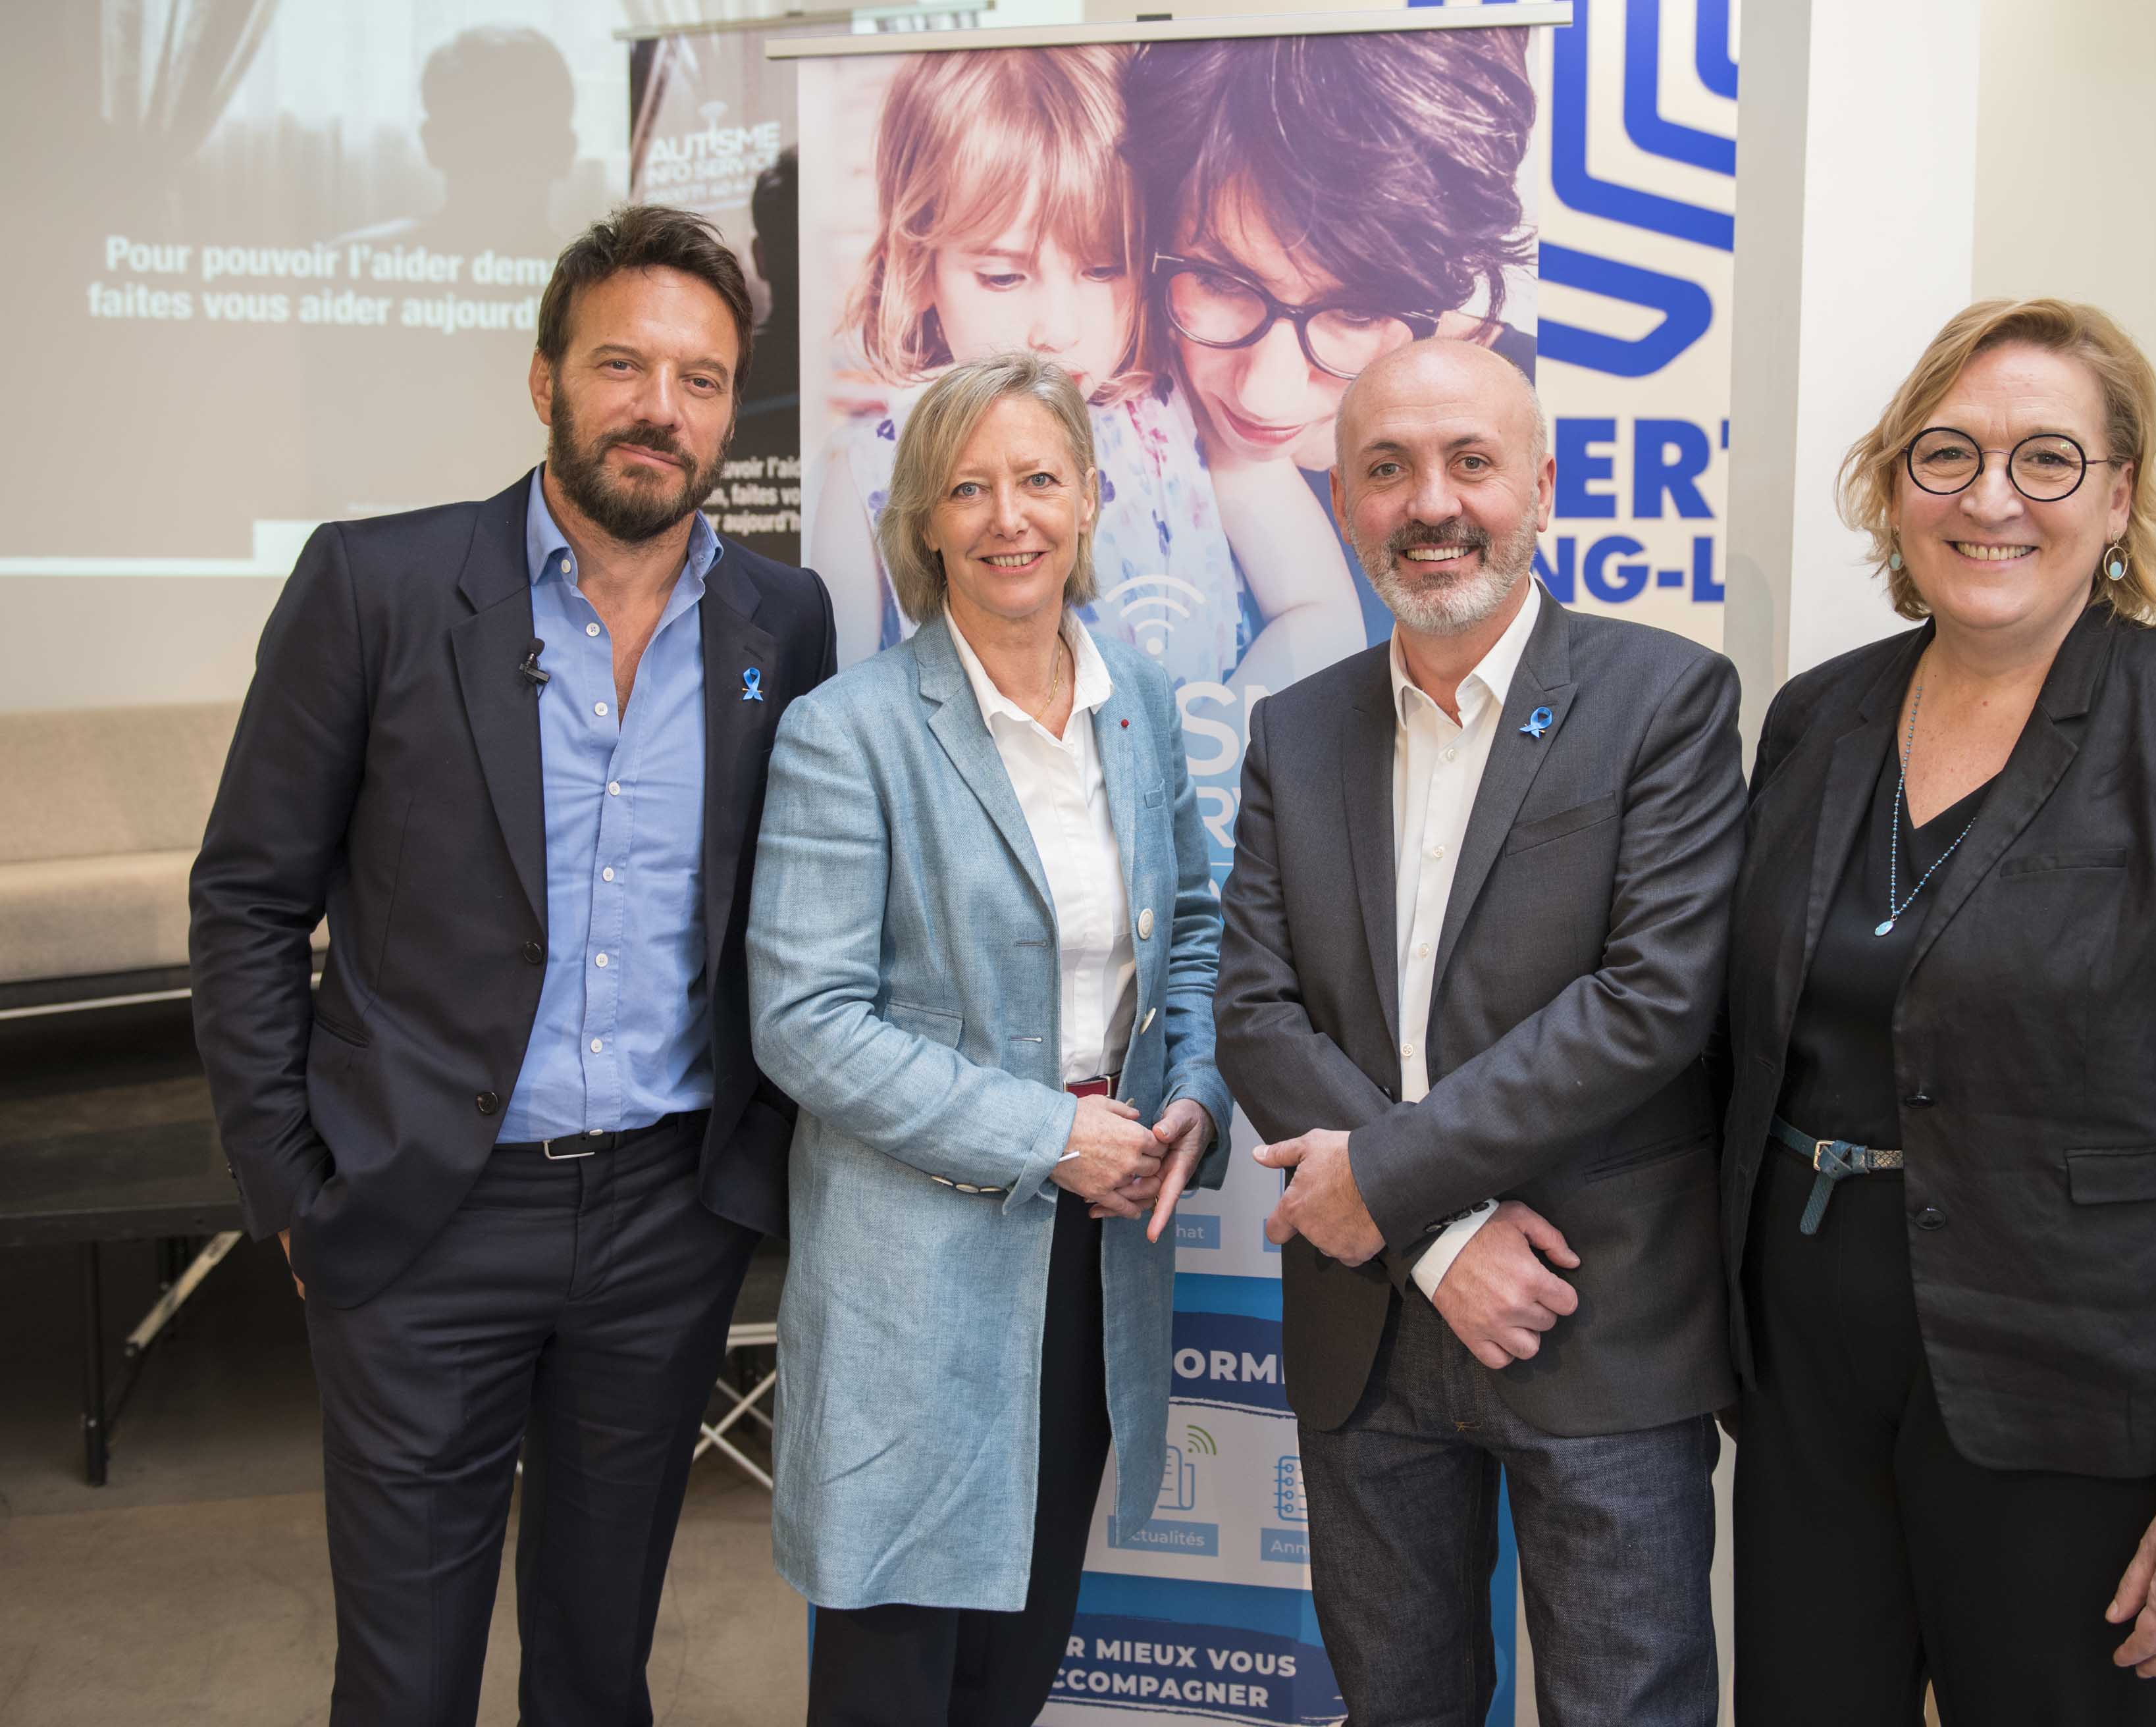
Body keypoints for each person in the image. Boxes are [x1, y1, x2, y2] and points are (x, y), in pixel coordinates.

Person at [188, 205, 837, 1727]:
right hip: (422, 1213)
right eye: (621, 363)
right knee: (406, 1676)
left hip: (665, 1215)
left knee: (600, 1660)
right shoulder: (378, 585)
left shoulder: (780, 619)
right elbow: (245, 900)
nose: (657, 408)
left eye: (698, 377)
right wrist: (290, 1184)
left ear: (730, 409)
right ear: (541, 373)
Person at [1719, 298, 2156, 1725]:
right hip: (1807, 1381)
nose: (1991, 498)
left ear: (2122, 496)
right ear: (1894, 491)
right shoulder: (1817, 719)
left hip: (2073, 1398)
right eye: (1945, 455)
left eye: (2049, 460)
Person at [1215, 339, 1745, 1725]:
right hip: (1369, 1328)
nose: (1430, 502)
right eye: (1386, 469)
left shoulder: (1665, 700)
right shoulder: (1293, 729)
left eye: (1470, 462)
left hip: (1595, 1315)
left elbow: (1651, 1002)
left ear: (1544, 487)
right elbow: (1254, 1011)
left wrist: (1380, 1181)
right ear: (1341, 500)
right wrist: (1434, 1234)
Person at [748, 350, 1234, 1727]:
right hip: (917, 1270)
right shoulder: (849, 734)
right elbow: (806, 1024)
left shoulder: (1133, 696)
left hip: (1093, 1261)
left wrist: (1194, 1090)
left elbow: (1190, 923)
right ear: (925, 519)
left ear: (1089, 497)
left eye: (1036, 478)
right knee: (900, 1668)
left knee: (1020, 1654)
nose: (1006, 515)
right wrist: (1049, 1135)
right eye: (968, 487)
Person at [810, 45, 1266, 687]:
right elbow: (842, 713)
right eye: (1003, 276)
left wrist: (1227, 749)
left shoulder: (1184, 407)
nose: (1057, 327)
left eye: (1104, 267)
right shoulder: (865, 467)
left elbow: (1315, 607)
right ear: (917, 268)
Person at [1124, 28, 1538, 649]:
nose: (1265, 396)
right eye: (1218, 280)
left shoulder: (1550, 408)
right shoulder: (1105, 390)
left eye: (1355, 313)